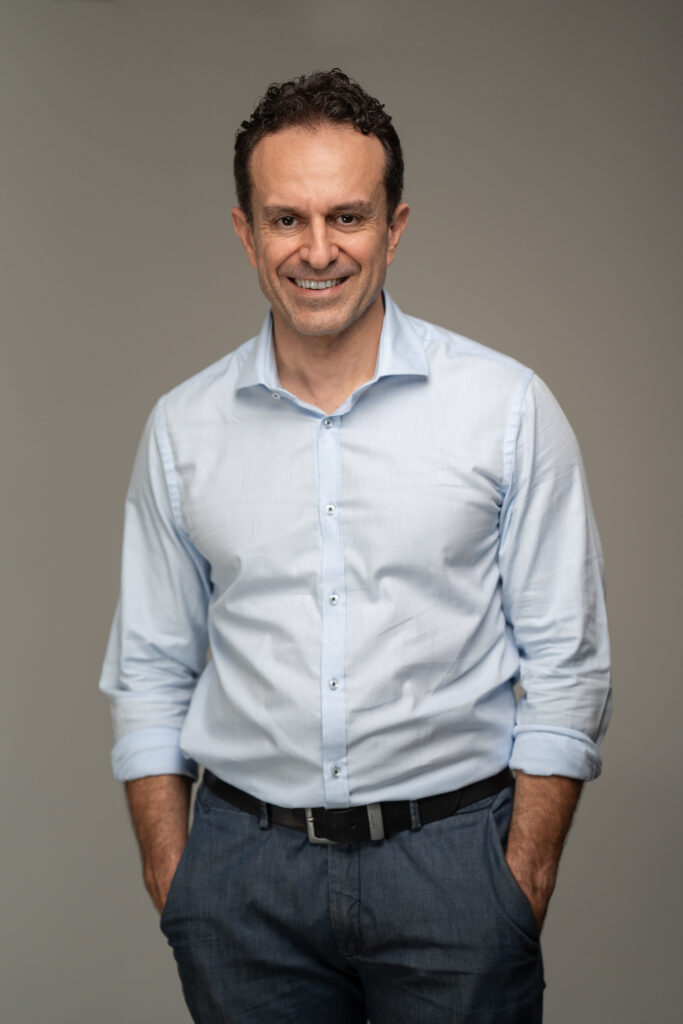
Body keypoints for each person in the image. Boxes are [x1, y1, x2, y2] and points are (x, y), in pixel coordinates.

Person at [99, 69, 611, 1023]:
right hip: (242, 880)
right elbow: (150, 668)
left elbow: (566, 660)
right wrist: (177, 874)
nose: (317, 249)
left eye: (348, 216)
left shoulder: (504, 408)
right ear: (246, 233)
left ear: (394, 226)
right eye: (285, 219)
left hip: (453, 866)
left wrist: (521, 875)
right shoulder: (182, 429)